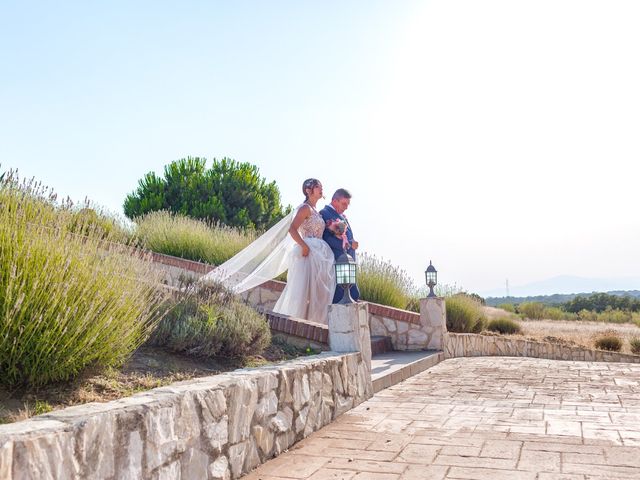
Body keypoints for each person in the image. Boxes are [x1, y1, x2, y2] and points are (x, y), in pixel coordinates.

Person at [201, 178, 335, 325]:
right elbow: (292, 229)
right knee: (301, 292)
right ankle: (293, 324)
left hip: (319, 254)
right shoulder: (305, 208)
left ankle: (313, 324)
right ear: (308, 191)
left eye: (321, 186)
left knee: (317, 292)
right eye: (318, 187)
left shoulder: (317, 212)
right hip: (307, 253)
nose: (321, 189)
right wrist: (304, 246)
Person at [320, 188, 360, 303]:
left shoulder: (342, 216)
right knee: (339, 296)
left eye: (348, 204)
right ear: (334, 201)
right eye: (344, 203)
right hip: (337, 259)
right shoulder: (325, 213)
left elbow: (346, 235)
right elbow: (327, 238)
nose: (346, 207)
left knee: (352, 293)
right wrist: (348, 245)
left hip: (348, 260)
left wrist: (352, 242)